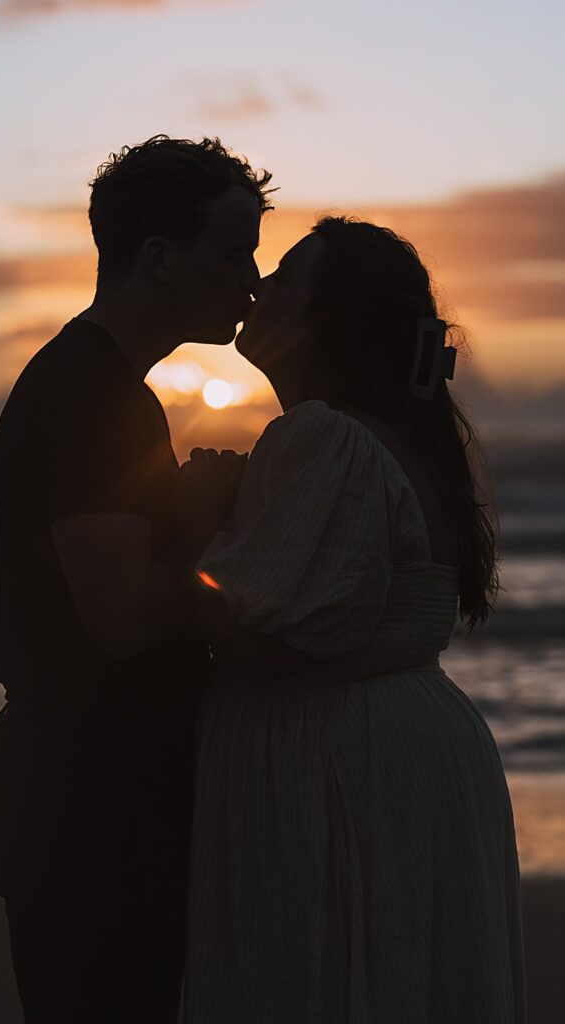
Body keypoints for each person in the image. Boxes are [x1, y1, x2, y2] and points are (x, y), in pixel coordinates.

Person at [178, 217, 526, 1022]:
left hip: (340, 765)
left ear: (327, 318)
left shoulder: (324, 438)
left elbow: (254, 636)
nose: (258, 285)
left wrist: (196, 527)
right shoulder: (404, 441)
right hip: (410, 753)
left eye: (285, 275)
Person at [0, 135, 273, 1023]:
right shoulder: (93, 395)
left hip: (82, 792)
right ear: (161, 258)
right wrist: (207, 529)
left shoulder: (95, 384)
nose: (252, 281)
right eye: (234, 254)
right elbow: (125, 618)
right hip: (87, 805)